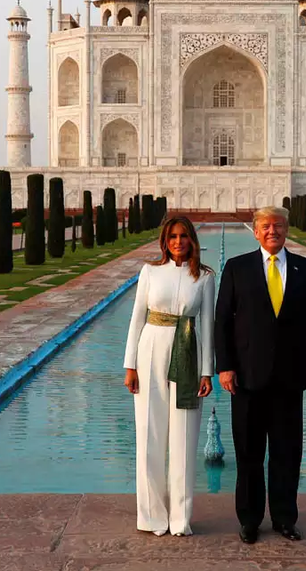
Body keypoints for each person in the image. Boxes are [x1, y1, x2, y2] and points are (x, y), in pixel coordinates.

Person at [215, 205, 306, 545]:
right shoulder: (237, 268)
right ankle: (249, 520)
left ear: (287, 230)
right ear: (255, 230)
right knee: (248, 453)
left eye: (278, 226)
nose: (272, 231)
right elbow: (222, 322)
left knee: (286, 452)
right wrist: (225, 366)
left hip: (290, 377)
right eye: (265, 226)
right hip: (247, 377)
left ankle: (284, 518)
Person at [124, 216, 215, 537]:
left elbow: (208, 326)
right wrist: (130, 365)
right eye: (173, 237)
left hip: (188, 353)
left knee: (185, 439)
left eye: (184, 236)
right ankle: (151, 516)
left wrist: (207, 372)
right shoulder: (150, 272)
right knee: (149, 437)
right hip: (150, 351)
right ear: (165, 241)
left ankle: (180, 519)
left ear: (192, 240)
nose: (178, 242)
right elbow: (137, 318)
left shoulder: (204, 277)